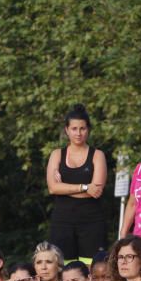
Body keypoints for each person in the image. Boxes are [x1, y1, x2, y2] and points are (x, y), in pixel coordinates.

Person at [46, 105, 107, 261]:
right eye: (74, 129)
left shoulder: (97, 155)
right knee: (64, 269)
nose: (78, 133)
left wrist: (64, 187)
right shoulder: (57, 154)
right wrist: (85, 187)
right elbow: (53, 188)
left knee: (92, 267)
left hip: (91, 220)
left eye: (82, 128)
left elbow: (97, 190)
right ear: (67, 130)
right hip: (62, 221)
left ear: (88, 130)